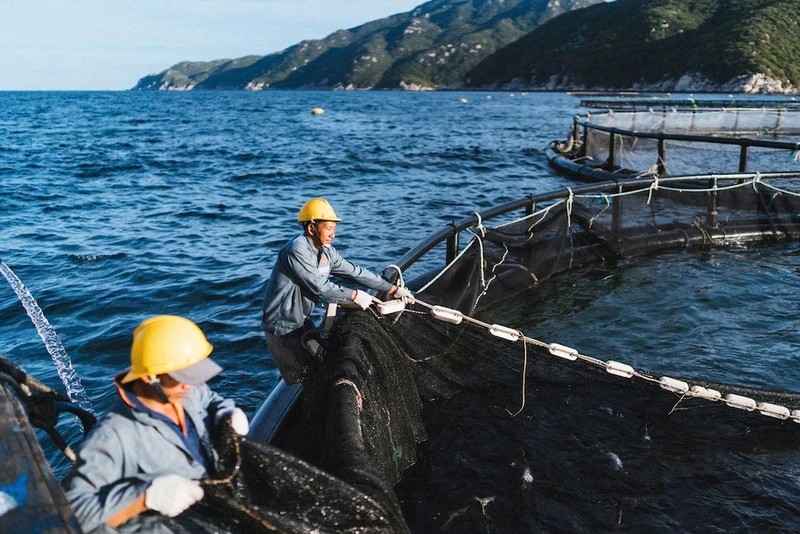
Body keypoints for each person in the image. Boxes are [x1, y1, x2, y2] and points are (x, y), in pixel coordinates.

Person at [62, 315, 249, 532]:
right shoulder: (113, 437)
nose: (192, 383)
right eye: (184, 375)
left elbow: (210, 399)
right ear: (150, 377)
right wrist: (145, 498)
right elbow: (69, 513)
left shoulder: (185, 390)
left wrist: (227, 413)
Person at [261, 197, 411, 385]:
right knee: (302, 380)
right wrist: (355, 295)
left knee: (321, 366)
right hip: (282, 328)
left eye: (334, 228)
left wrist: (393, 288)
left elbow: (356, 273)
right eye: (328, 228)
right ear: (311, 228)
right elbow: (320, 288)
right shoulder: (296, 249)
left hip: (303, 321)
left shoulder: (327, 252)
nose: (333, 234)